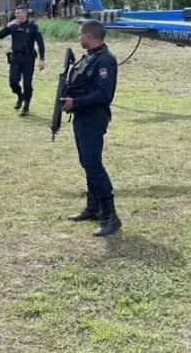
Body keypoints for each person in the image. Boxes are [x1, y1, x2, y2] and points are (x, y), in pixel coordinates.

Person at [62, 20, 122, 236]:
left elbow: (104, 94)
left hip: (93, 119)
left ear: (89, 35)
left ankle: (110, 216)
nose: (79, 38)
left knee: (94, 166)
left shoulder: (105, 60)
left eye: (80, 34)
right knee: (87, 164)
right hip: (82, 117)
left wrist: (76, 102)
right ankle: (93, 207)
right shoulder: (89, 58)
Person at [0, 6, 45, 116]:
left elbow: (40, 44)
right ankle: (20, 96)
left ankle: (26, 106)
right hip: (15, 58)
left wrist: (42, 59)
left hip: (28, 59)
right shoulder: (13, 26)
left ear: (25, 14)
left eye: (18, 13)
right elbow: (0, 36)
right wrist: (8, 26)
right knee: (13, 82)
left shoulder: (33, 27)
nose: (16, 15)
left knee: (27, 84)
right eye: (15, 13)